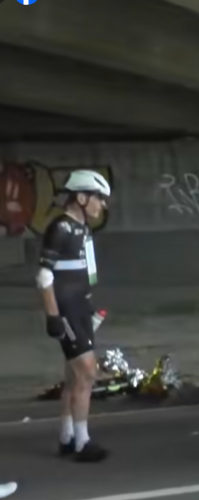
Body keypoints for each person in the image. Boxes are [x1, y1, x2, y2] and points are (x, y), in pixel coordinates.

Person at [38, 169, 111, 462]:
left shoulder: (83, 229)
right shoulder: (61, 228)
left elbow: (86, 273)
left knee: (73, 375)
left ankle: (67, 436)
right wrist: (53, 316)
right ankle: (82, 441)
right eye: (99, 199)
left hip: (81, 308)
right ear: (81, 197)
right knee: (88, 372)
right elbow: (44, 277)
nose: (102, 205)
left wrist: (90, 306)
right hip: (67, 310)